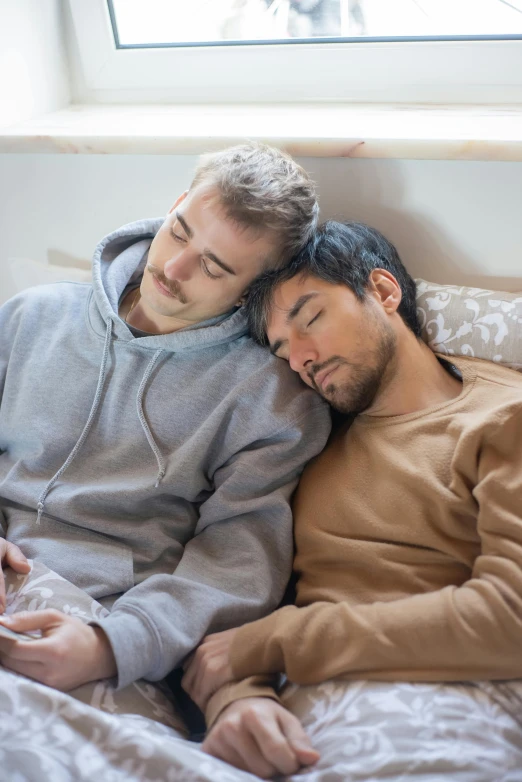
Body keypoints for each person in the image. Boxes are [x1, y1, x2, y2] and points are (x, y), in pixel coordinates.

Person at [183, 220, 522, 780]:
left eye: (311, 319)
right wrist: (239, 701)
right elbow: (232, 596)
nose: (301, 360)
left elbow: (510, 619)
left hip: (452, 698)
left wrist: (274, 643)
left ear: (385, 292)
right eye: (282, 349)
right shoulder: (296, 437)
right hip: (303, 719)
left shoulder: (501, 417)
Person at [0, 144, 330, 698]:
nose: (173, 269)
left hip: (103, 624)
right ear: (176, 204)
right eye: (180, 232)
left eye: (213, 266)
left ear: (253, 290)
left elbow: (239, 559)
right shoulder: (30, 315)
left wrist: (113, 644)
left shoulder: (271, 401)